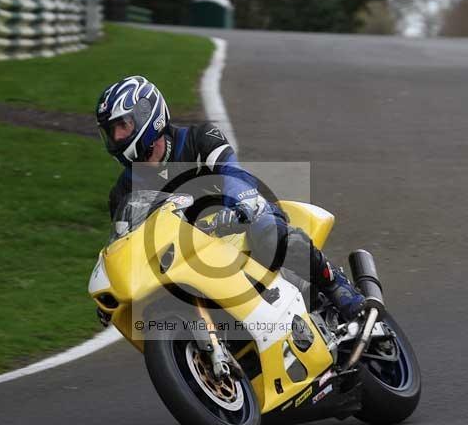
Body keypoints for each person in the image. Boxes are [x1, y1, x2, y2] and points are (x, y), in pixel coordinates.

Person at [96, 75, 365, 321]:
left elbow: (233, 173)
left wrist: (242, 205)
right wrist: (117, 289)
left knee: (268, 232)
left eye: (122, 125)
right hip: (186, 260)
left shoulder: (200, 138)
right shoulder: (123, 192)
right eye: (111, 131)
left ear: (147, 115)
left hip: (239, 224)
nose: (116, 137)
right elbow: (128, 246)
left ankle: (337, 287)